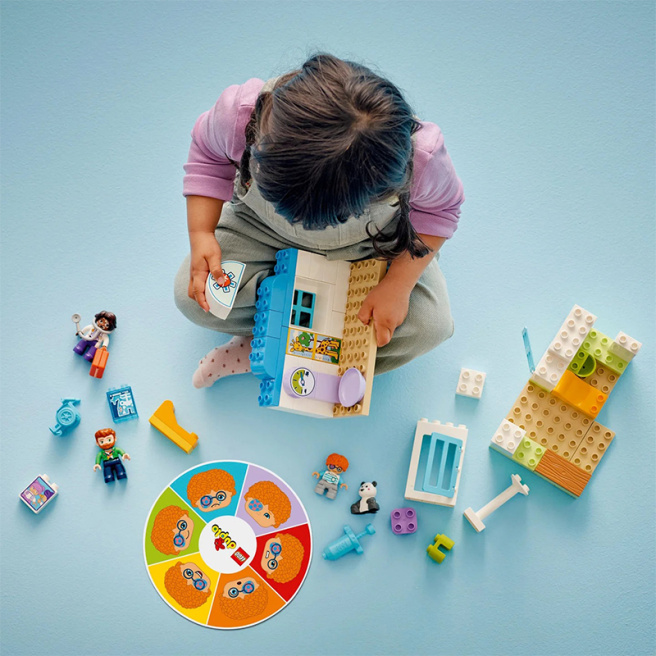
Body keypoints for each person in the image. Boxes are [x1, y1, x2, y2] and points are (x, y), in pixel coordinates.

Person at [174, 52, 464, 387]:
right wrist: (201, 233)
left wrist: (397, 285)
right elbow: (207, 154)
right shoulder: (239, 116)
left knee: (430, 326)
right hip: (261, 229)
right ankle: (277, 339)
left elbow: (441, 211)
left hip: (369, 247)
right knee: (193, 295)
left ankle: (296, 351)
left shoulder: (423, 159)